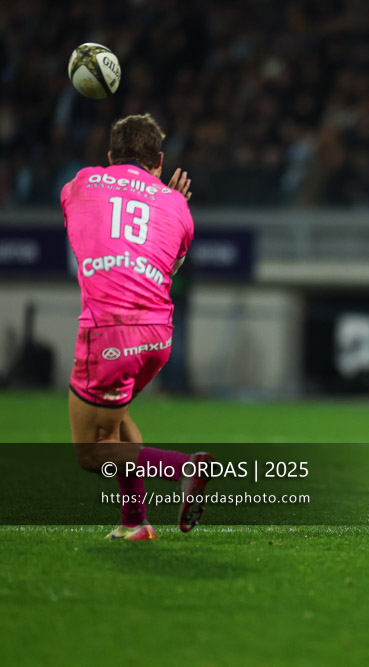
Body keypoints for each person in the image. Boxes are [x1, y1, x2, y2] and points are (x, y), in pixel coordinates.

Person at [62, 113, 213, 540]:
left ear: (111, 156)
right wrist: (166, 196)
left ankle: (185, 468)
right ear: (160, 161)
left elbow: (88, 219)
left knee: (92, 452)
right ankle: (135, 522)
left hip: (109, 330)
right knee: (118, 418)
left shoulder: (82, 183)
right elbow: (170, 264)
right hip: (158, 336)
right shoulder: (177, 207)